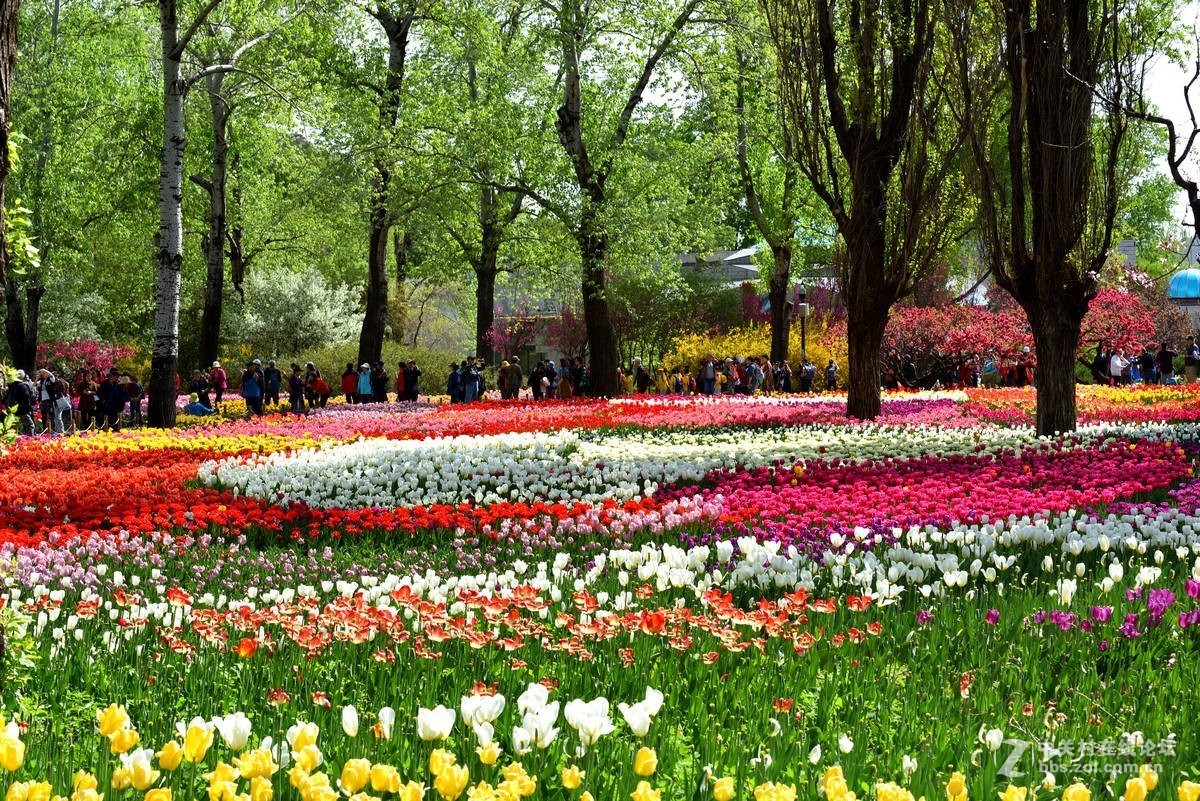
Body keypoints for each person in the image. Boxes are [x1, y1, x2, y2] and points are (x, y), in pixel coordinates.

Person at [4, 370, 35, 435]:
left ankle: (13, 441)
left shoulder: (10, 386)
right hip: (22, 410)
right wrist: (28, 409)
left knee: (14, 428)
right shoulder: (23, 386)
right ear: (23, 377)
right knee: (30, 425)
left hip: (12, 410)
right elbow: (27, 399)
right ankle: (30, 442)